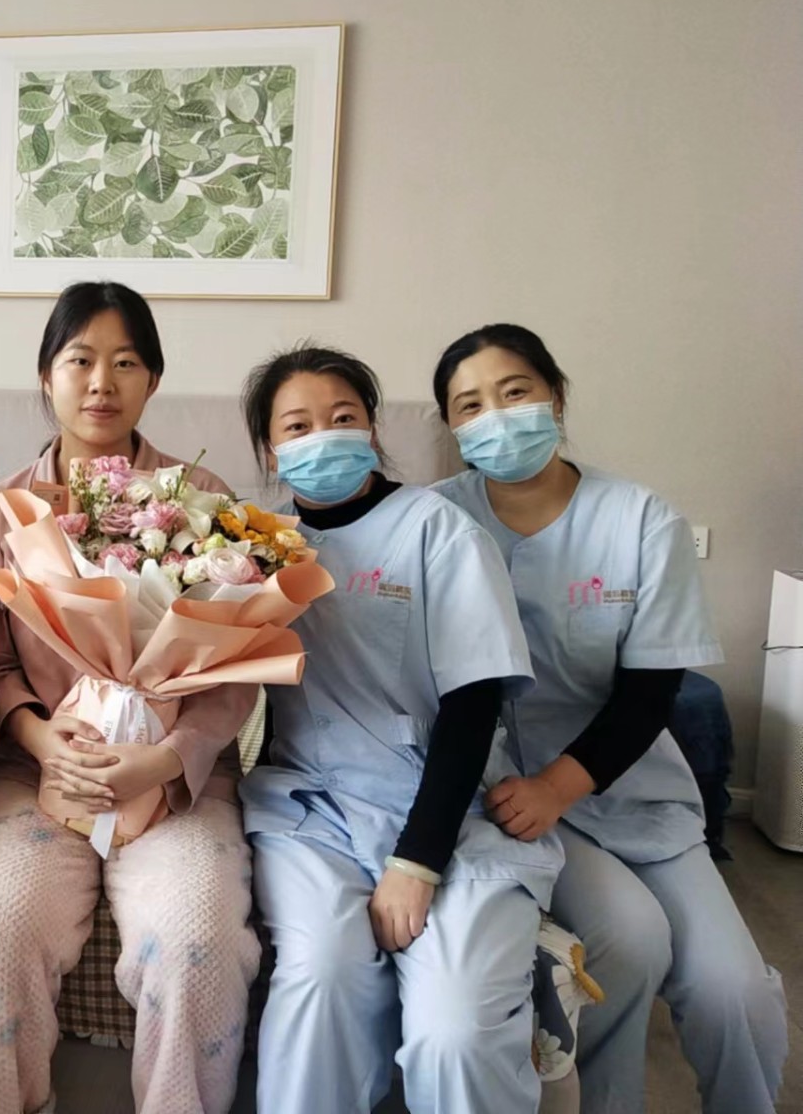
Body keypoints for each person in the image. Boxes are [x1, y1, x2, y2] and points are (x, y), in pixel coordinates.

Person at [431, 323, 787, 1113]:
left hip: (625, 787)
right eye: (470, 405)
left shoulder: (640, 519)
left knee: (735, 991)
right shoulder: (436, 518)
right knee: (630, 941)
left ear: (556, 397)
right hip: (503, 796)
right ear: (452, 427)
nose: (497, 416)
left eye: (515, 392)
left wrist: (558, 787)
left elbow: (651, 693)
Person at [0, 281, 261, 1114]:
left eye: (125, 363)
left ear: (153, 379)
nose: (100, 383)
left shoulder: (204, 502)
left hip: (176, 777)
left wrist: (165, 759)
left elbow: (236, 667)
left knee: (197, 941)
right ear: (45, 375)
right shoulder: (4, 512)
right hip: (35, 775)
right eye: (79, 360)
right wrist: (42, 741)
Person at [239, 342, 561, 1114]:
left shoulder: (438, 531)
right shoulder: (254, 549)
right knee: (319, 976)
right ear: (270, 451)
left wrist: (417, 863)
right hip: (312, 809)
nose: (323, 437)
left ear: (374, 430)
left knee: (455, 1031)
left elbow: (473, 705)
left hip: (448, 811)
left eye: (343, 417)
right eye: (298, 426)